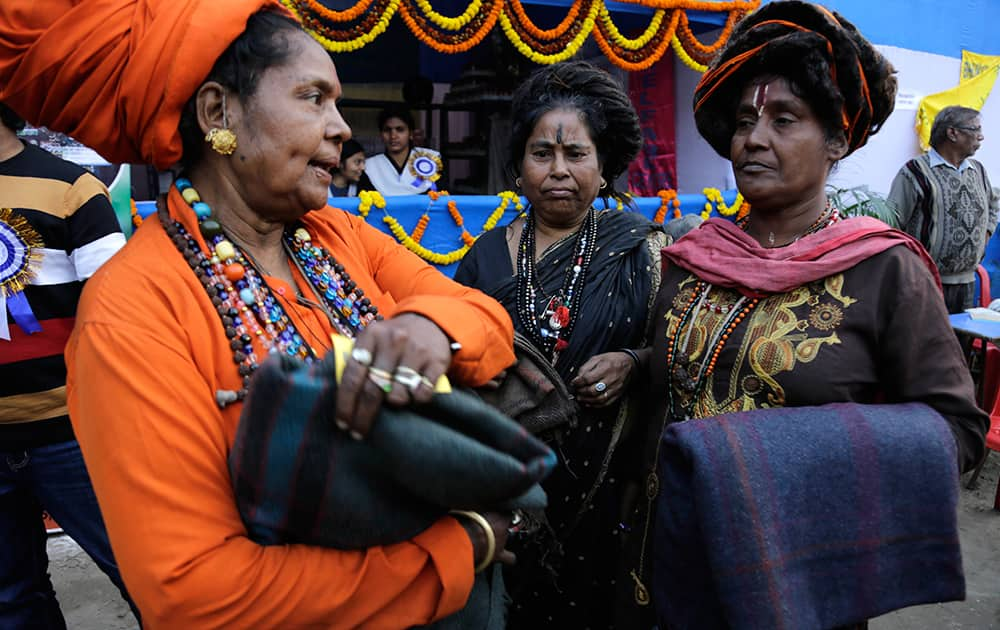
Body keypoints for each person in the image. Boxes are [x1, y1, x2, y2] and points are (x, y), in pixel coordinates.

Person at [0, 3, 519, 628]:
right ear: (220, 113)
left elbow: (484, 317)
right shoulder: (132, 309)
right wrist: (451, 555)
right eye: (313, 97)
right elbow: (195, 593)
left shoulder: (337, 236)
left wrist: (430, 330)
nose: (342, 129)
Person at [638, 1, 988, 626]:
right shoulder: (692, 255)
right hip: (671, 562)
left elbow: (956, 432)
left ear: (836, 141)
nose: (754, 138)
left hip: (797, 577)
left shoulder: (883, 269)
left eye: (784, 119)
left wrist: (777, 452)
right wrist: (633, 361)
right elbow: (686, 369)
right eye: (745, 119)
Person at [453, 60, 667, 628]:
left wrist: (634, 361)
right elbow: (453, 363)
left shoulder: (641, 252)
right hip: (507, 496)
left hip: (611, 500)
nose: (559, 170)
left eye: (577, 155)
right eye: (541, 153)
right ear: (519, 166)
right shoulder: (484, 257)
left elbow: (679, 351)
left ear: (604, 168)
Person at [0, 102, 138, 628]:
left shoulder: (73, 188)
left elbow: (118, 316)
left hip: (73, 435)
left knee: (144, 575)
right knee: (12, 602)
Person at [888, 105, 999, 313]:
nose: (981, 137)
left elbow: (993, 204)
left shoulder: (979, 171)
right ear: (952, 133)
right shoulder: (915, 172)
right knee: (926, 341)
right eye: (975, 129)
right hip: (925, 281)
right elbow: (892, 223)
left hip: (966, 283)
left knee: (960, 343)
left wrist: (986, 233)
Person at [366, 106, 443, 195]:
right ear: (381, 135)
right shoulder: (369, 167)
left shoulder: (431, 160)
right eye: (387, 130)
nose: (393, 136)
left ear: (410, 134)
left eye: (400, 130)